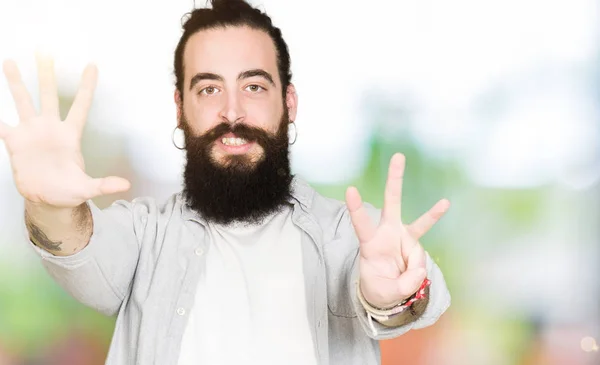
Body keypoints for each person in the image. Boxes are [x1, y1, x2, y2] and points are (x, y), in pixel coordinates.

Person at [0, 0, 451, 364]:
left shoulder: (348, 236)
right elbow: (86, 261)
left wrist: (391, 300)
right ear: (180, 107)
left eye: (253, 87)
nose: (232, 112)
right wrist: (53, 208)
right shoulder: (145, 235)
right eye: (209, 88)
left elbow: (411, 295)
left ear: (288, 103)